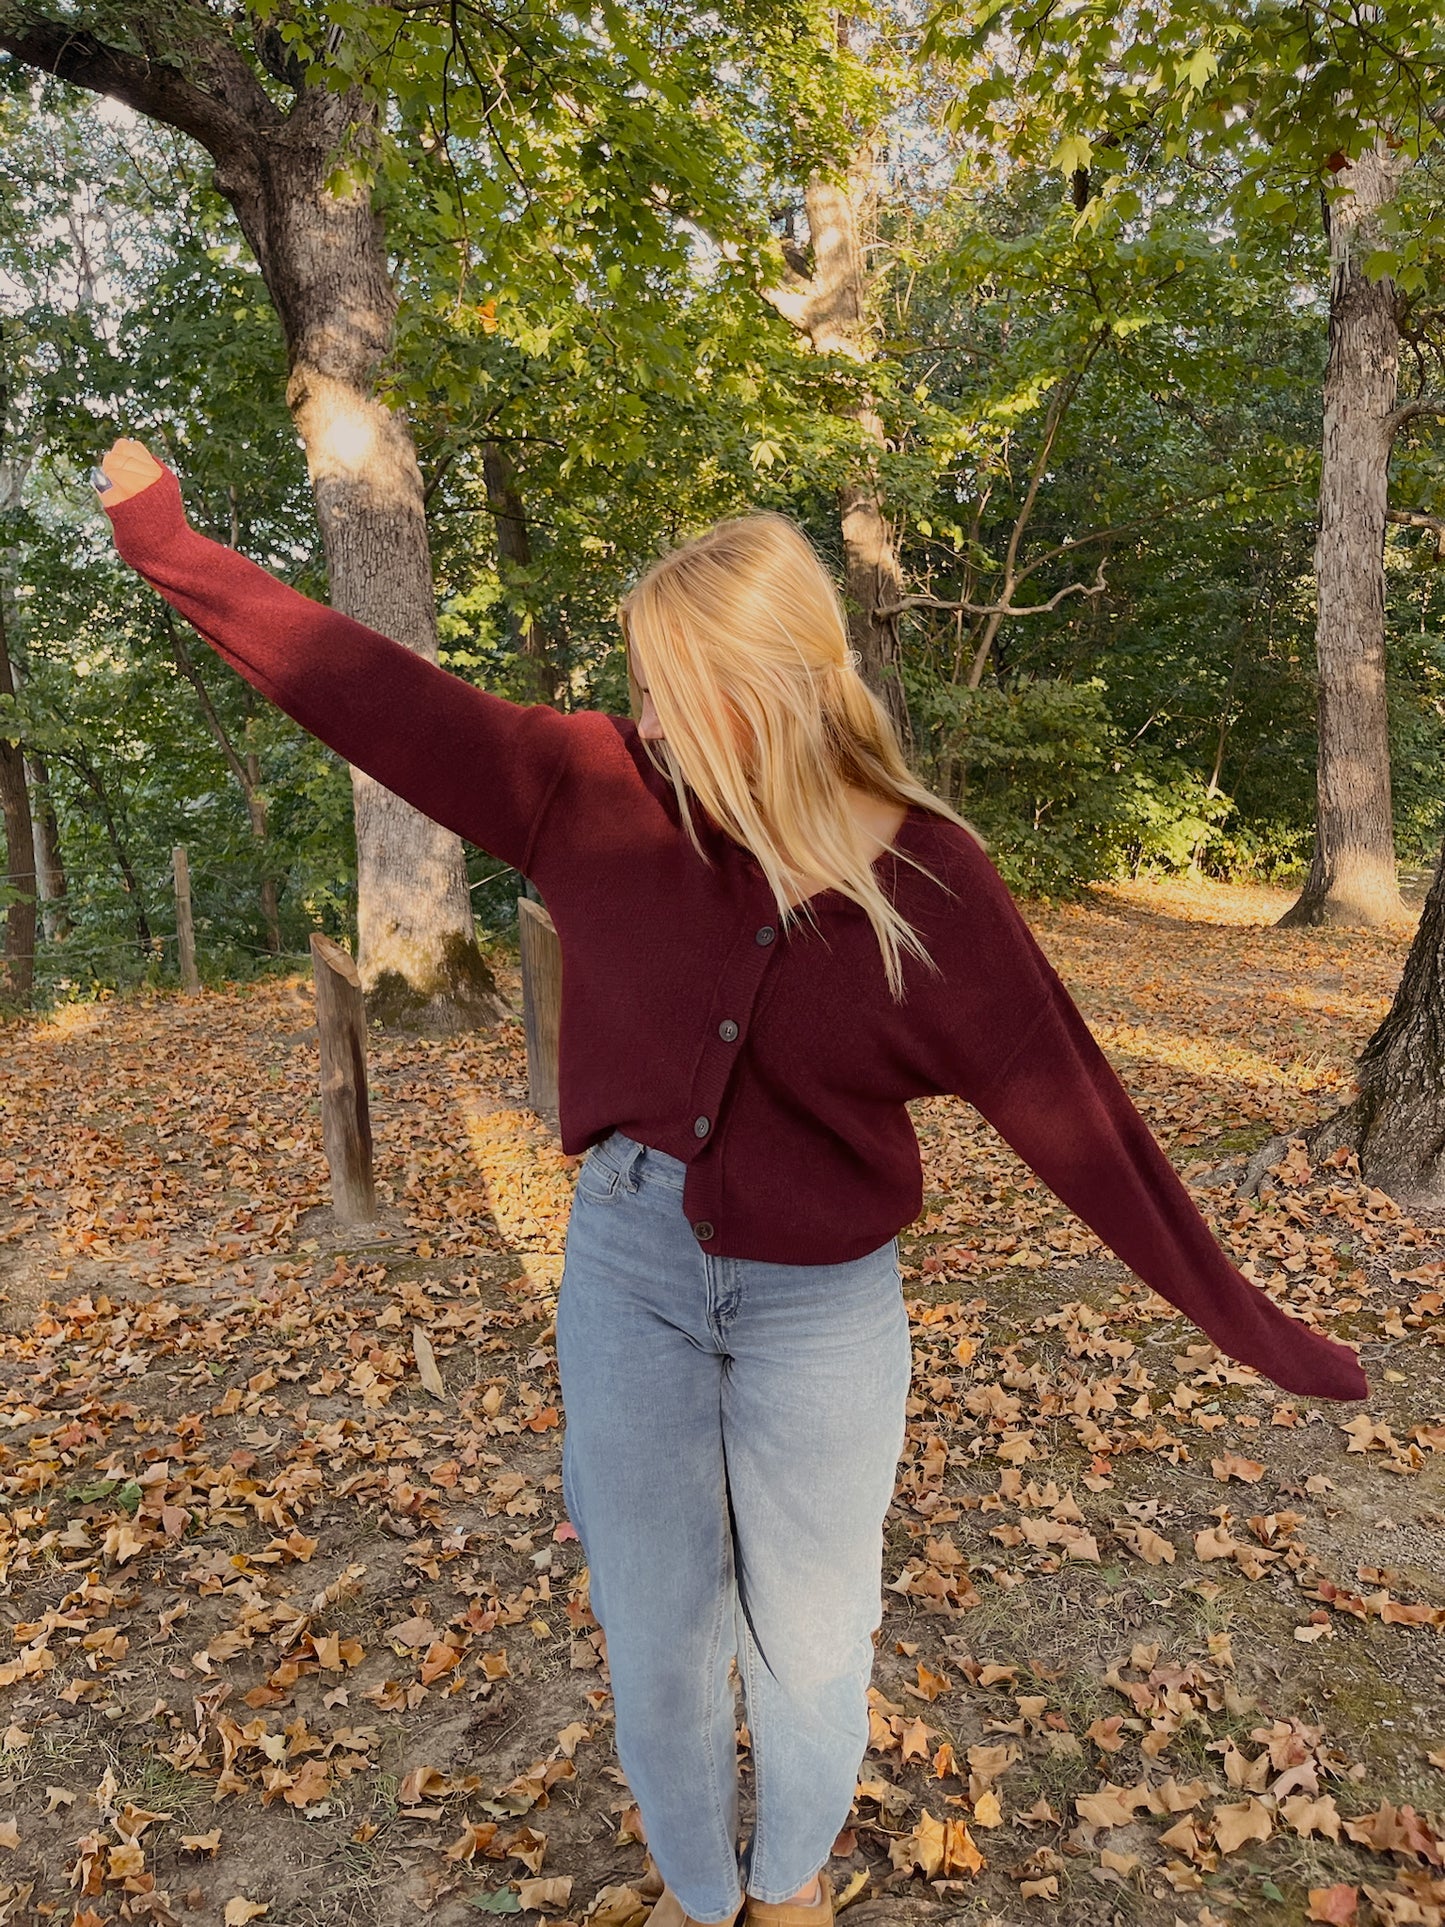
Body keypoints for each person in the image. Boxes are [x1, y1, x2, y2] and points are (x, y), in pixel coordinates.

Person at [93, 438, 1367, 1927]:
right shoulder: (581, 787)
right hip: (624, 1272)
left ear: (764, 687)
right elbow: (363, 688)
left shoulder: (926, 878)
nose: (640, 716)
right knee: (655, 1634)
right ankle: (702, 1897)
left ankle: (793, 1886)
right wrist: (172, 549)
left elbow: (1078, 1117)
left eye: (668, 689)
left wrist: (1254, 1325)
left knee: (814, 1641)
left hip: (820, 1308)